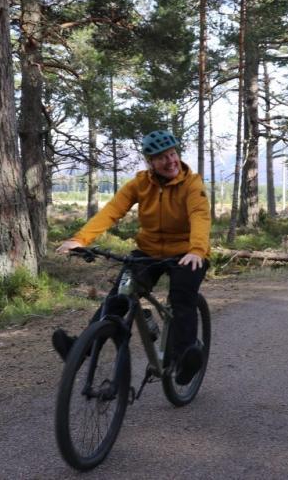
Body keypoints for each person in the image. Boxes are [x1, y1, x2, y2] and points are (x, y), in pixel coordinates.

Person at [53, 130, 211, 385]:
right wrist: (80, 239)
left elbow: (200, 217)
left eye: (172, 154)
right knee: (119, 297)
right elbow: (111, 212)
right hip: (148, 251)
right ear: (150, 162)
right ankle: (80, 349)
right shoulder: (139, 184)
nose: (170, 161)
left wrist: (197, 250)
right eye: (161, 158)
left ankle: (184, 359)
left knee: (182, 297)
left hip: (186, 253)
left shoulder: (192, 184)